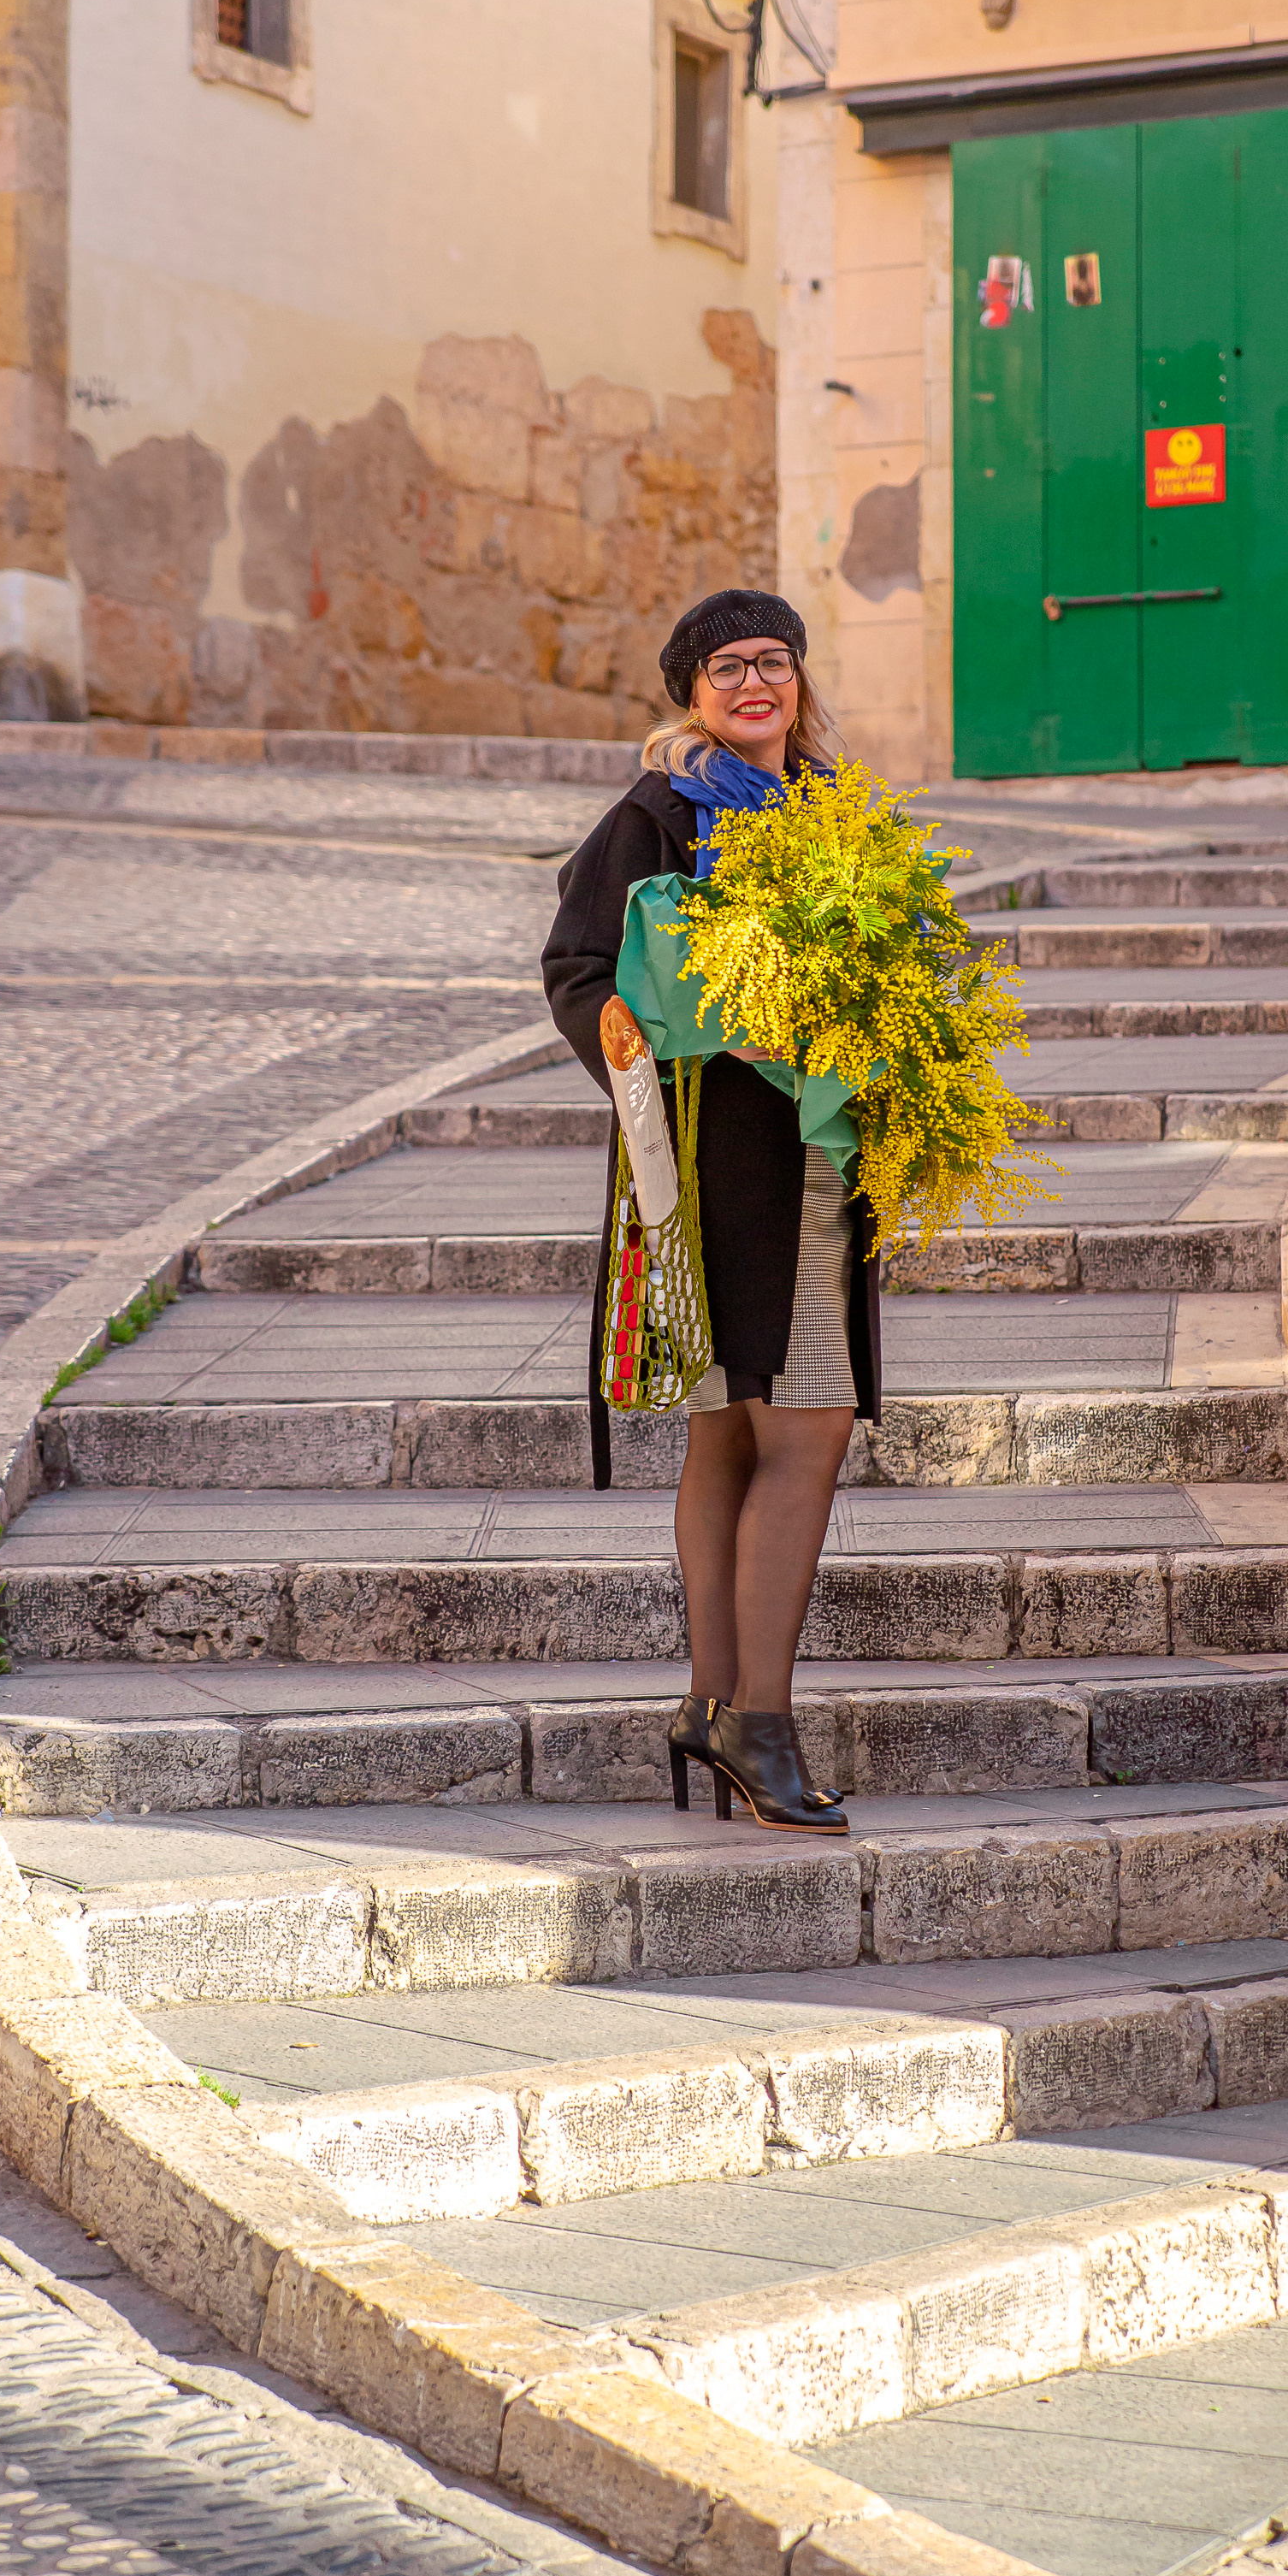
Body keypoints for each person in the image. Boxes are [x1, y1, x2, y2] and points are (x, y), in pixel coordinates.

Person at [541, 589, 878, 1837]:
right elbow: (578, 967)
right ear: (690, 691)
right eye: (725, 668)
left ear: (798, 679)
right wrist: (633, 1041)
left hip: (816, 1159)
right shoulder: (660, 811)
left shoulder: (837, 813)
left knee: (738, 1437)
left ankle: (710, 1703)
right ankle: (763, 1722)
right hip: (710, 1160)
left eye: (773, 663)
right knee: (805, 1425)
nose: (753, 685)